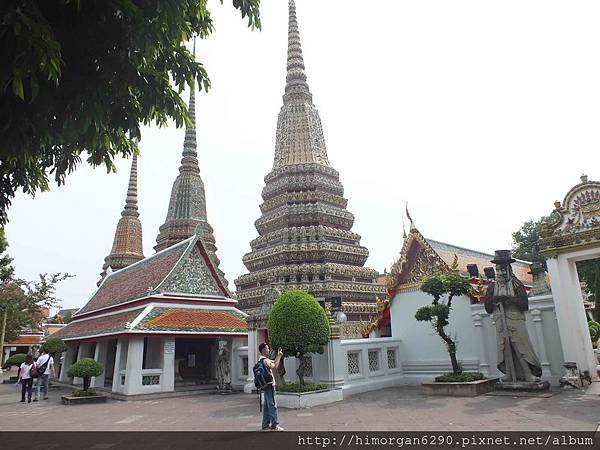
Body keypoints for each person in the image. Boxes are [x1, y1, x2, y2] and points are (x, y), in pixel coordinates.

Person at [484, 250, 543, 382]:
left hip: (515, 320)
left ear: (509, 270)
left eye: (503, 270)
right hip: (500, 320)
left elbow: (524, 305)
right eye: (498, 270)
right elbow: (487, 308)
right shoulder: (492, 287)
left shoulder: (516, 284)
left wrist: (508, 299)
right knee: (504, 348)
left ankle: (528, 373)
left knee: (521, 347)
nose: (501, 273)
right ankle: (510, 373)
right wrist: (495, 300)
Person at [258, 343, 284, 431]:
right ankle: (274, 425)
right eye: (267, 348)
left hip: (266, 385)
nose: (268, 350)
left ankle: (265, 425)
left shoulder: (262, 360)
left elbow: (273, 361)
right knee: (272, 405)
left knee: (266, 406)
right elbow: (275, 365)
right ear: (263, 350)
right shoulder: (265, 361)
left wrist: (278, 355)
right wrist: (279, 356)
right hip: (269, 385)